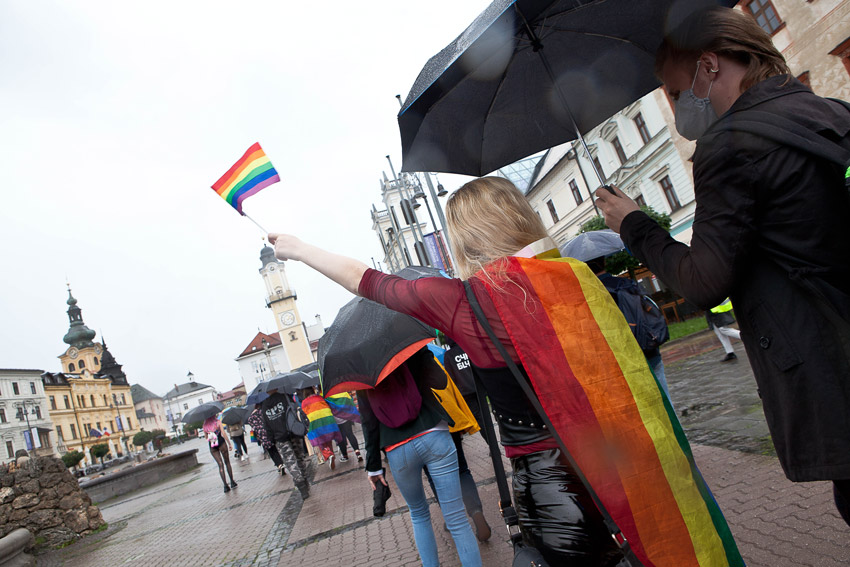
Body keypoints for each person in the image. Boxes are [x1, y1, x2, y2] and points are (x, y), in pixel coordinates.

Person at [595, 6, 850, 526]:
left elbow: (705, 282)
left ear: (710, 66)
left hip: (831, 363)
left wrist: (634, 225)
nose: (677, 106)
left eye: (674, 91)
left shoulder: (729, 146)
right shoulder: (831, 112)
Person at [357, 349, 483, 567]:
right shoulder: (408, 344)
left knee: (418, 514)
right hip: (433, 432)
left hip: (397, 447)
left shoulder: (359, 368)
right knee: (457, 519)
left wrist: (374, 468)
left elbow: (368, 422)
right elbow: (439, 380)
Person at [586, 256, 671, 398]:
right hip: (648, 348)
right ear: (605, 262)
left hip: (623, 361)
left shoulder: (589, 294)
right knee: (665, 399)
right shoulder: (627, 284)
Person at [261, 391, 311, 499]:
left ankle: (301, 486)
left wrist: (271, 439)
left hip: (279, 438)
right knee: (300, 457)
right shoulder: (285, 396)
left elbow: (266, 425)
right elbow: (295, 410)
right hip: (293, 432)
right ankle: (305, 481)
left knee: (290, 462)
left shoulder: (264, 406)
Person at [246, 405, 285, 475]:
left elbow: (253, 429)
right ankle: (281, 463)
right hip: (269, 433)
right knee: (275, 449)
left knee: (270, 451)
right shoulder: (263, 412)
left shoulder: (250, 418)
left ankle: (278, 464)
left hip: (262, 436)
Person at [203, 416, 238, 493]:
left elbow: (206, 438)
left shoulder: (205, 425)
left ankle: (225, 486)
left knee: (220, 465)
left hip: (212, 446)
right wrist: (229, 443)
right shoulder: (217, 422)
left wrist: (210, 435)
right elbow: (224, 433)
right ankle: (232, 482)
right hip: (221, 443)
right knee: (227, 462)